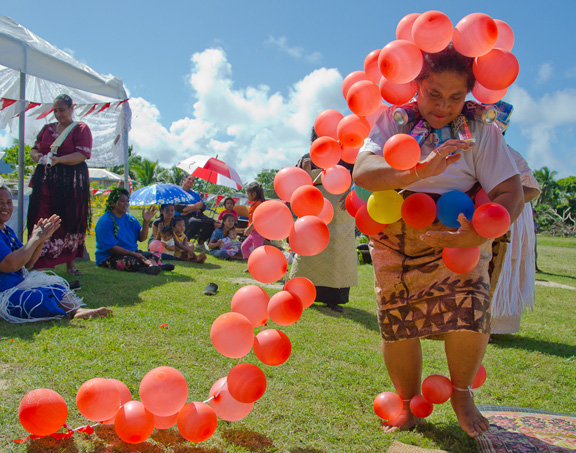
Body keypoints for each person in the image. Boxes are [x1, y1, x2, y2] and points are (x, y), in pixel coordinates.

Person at [353, 45, 524, 438]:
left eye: (455, 97)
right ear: (417, 85)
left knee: (470, 311)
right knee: (398, 321)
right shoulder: (393, 121)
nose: (444, 106)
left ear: (469, 93)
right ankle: (409, 404)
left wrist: (479, 232)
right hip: (396, 228)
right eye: (434, 94)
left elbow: (510, 194)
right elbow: (364, 172)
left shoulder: (482, 128)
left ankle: (463, 395)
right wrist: (418, 171)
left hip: (461, 231)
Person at [0, 186, 111, 322]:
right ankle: (72, 311)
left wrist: (41, 240)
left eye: (8, 202)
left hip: (18, 285)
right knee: (40, 298)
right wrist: (35, 239)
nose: (5, 206)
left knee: (54, 287)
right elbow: (10, 265)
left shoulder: (7, 231)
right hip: (4, 293)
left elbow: (28, 263)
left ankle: (77, 311)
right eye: (0, 202)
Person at [27, 94, 92, 276]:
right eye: (55, 110)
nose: (58, 114)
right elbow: (34, 149)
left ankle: (70, 264)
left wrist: (58, 160)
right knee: (41, 218)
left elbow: (82, 155)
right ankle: (38, 263)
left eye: (61, 110)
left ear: (72, 108)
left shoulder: (80, 128)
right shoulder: (47, 129)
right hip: (46, 182)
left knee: (69, 221)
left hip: (70, 184)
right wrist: (37, 156)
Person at [288, 146, 358, 313]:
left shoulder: (348, 156)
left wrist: (352, 192)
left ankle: (334, 299)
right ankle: (303, 293)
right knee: (308, 252)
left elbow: (359, 177)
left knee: (337, 255)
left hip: (341, 210)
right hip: (313, 208)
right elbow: (295, 184)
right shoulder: (308, 157)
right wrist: (305, 172)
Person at [490, 147, 540, 335]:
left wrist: (499, 200)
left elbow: (532, 188)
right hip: (488, 214)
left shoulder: (508, 153)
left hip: (507, 215)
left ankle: (492, 325)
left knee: (501, 268)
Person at [95, 188, 174, 275]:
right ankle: (153, 267)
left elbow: (142, 238)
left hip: (132, 253)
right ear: (112, 203)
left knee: (155, 254)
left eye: (127, 201)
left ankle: (153, 267)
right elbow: (112, 248)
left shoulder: (130, 218)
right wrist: (134, 254)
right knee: (134, 261)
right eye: (122, 201)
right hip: (109, 257)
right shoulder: (105, 221)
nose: (126, 204)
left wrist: (146, 222)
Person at [175, 175, 221, 250]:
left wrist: (189, 209)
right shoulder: (177, 192)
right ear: (183, 180)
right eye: (189, 179)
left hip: (196, 214)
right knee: (194, 222)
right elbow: (178, 207)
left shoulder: (195, 194)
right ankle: (186, 242)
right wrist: (195, 206)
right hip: (181, 215)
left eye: (193, 180)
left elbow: (202, 207)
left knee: (212, 222)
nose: (191, 181)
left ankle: (200, 243)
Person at [241, 182, 266, 259]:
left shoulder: (260, 205)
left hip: (258, 233)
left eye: (248, 193)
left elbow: (258, 219)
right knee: (244, 247)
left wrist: (249, 228)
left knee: (257, 252)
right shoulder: (255, 204)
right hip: (254, 232)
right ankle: (251, 265)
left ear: (254, 194)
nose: (247, 196)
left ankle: (257, 267)